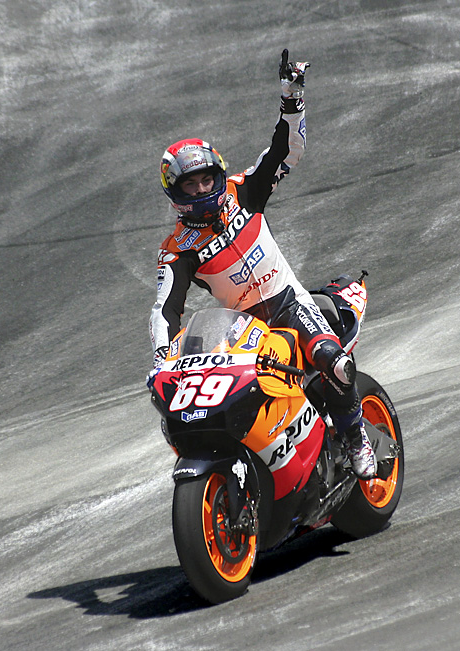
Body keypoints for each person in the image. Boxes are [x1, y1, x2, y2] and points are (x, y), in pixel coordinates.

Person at [149, 50, 377, 479]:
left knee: (334, 361)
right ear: (175, 192)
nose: (201, 189)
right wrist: (164, 358)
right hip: (242, 330)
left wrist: (292, 96)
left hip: (289, 302)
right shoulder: (178, 248)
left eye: (207, 179)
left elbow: (287, 151)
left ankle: (355, 437)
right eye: (190, 183)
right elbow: (166, 309)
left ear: (219, 176)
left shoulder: (244, 192)